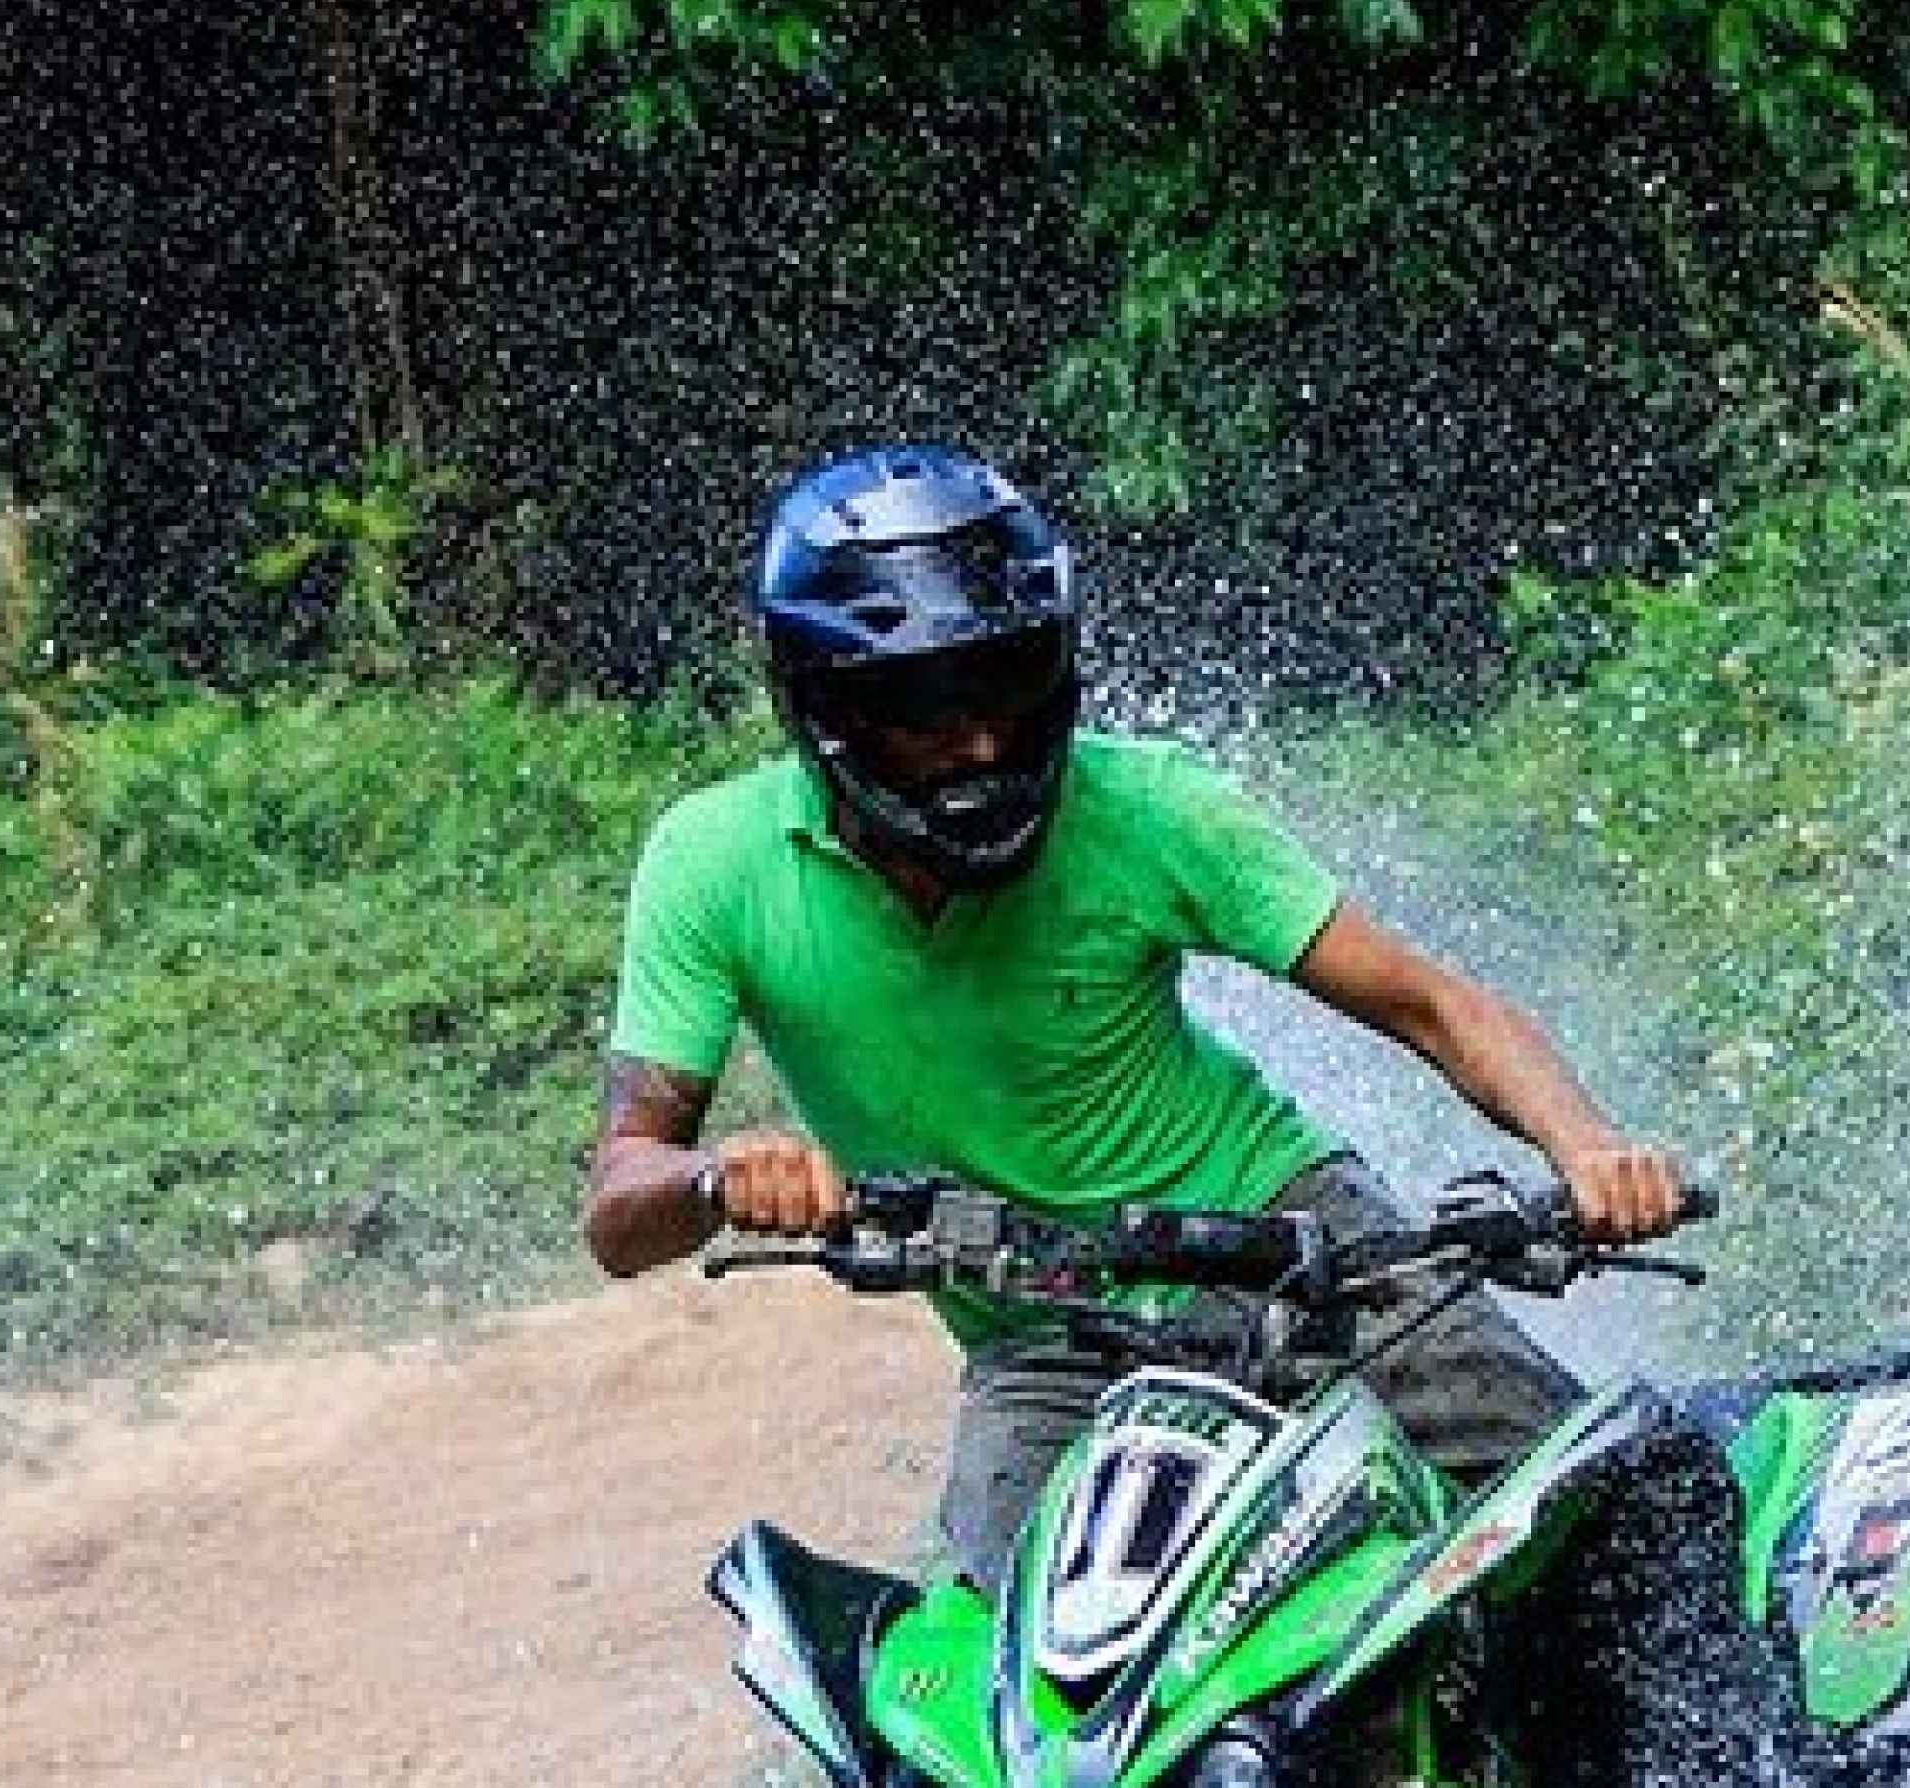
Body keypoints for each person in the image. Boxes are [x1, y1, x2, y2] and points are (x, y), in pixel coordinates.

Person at [583, 441, 1691, 1587]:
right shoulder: (712, 865)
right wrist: (717, 1182)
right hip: (1043, 1338)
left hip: (1299, 1245)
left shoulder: (1154, 806)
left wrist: (1587, 1146)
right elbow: (621, 1206)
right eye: (923, 708)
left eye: (1006, 689)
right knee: (1012, 1682)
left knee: (1606, 1513)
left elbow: (1433, 1006)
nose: (979, 743)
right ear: (828, 712)